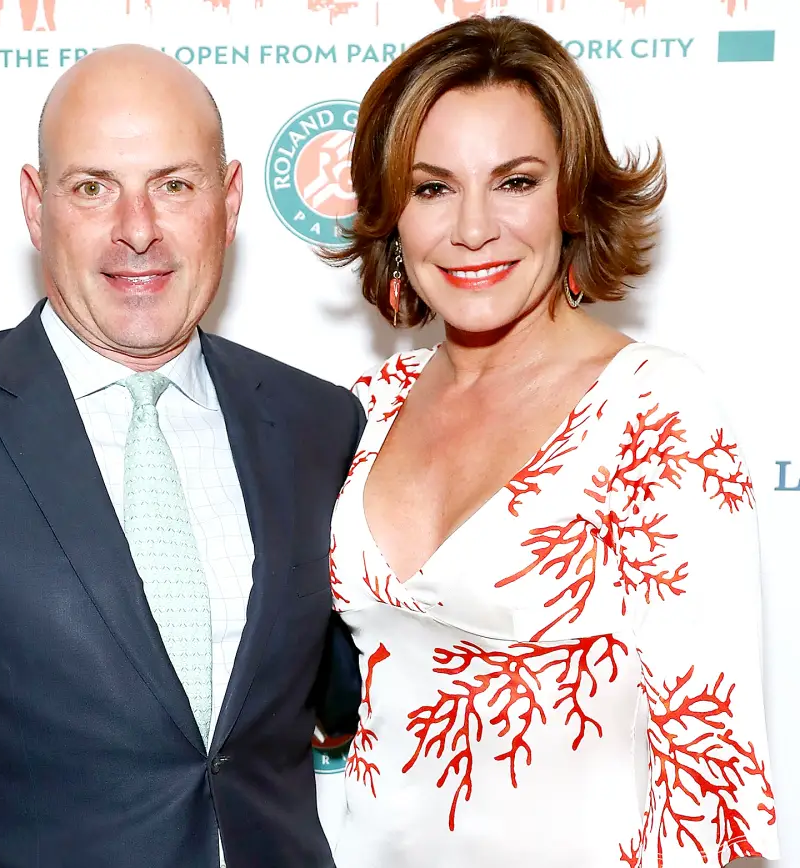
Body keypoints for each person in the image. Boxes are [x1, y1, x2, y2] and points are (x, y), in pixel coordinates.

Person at [0, 45, 363, 868]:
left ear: (231, 200)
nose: (137, 230)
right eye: (93, 188)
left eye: (175, 185)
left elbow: (363, 698)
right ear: (37, 208)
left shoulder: (320, 423)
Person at [323, 16, 778, 868]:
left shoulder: (654, 413)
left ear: (571, 198)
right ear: (392, 216)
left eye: (515, 182)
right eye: (432, 188)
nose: (473, 229)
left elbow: (715, 777)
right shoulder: (368, 408)